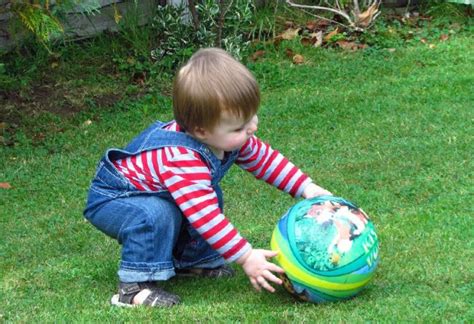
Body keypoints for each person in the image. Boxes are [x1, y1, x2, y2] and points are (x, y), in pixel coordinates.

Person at [83, 47, 332, 307]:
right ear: (201, 131)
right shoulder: (181, 159)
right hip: (117, 199)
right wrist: (246, 256)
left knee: (202, 196)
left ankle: (193, 261)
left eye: (251, 116)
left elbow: (265, 160)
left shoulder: (229, 138)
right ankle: (134, 288)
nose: (253, 127)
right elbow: (206, 218)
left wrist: (306, 187)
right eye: (239, 126)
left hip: (154, 191)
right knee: (154, 215)